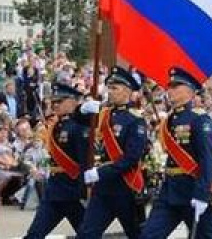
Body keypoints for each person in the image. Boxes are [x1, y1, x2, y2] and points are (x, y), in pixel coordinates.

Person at [140, 67, 212, 239]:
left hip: (193, 190)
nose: (170, 90)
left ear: (190, 90)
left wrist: (202, 194)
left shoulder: (199, 119)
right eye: (169, 86)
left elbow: (207, 159)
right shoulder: (169, 119)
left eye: (176, 86)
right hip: (169, 191)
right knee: (149, 235)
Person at [77, 66, 148, 239]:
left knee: (137, 234)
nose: (110, 92)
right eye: (109, 87)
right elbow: (76, 121)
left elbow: (132, 157)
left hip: (125, 187)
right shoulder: (103, 113)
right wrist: (82, 109)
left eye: (115, 88)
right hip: (103, 189)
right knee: (87, 234)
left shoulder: (135, 120)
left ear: (127, 91)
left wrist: (100, 172)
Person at [23, 83, 90, 238]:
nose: (55, 105)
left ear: (73, 101)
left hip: (73, 192)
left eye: (59, 101)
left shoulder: (79, 127)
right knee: (34, 234)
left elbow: (84, 162)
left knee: (87, 235)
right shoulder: (55, 125)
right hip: (54, 191)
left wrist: (85, 191)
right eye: (53, 102)